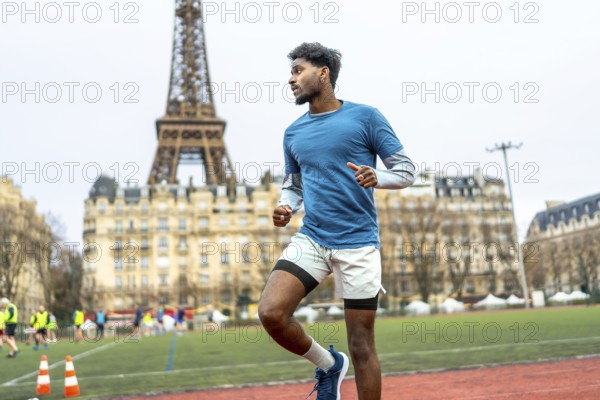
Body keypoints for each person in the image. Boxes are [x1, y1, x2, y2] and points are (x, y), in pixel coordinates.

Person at [258, 42, 415, 400]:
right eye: (291, 72)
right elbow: (294, 184)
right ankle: (329, 363)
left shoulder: (366, 117)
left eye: (298, 70)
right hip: (312, 237)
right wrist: (286, 206)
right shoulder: (293, 133)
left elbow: (406, 170)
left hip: (358, 243)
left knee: (362, 347)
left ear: (323, 73)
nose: (291, 79)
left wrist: (378, 177)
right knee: (271, 313)